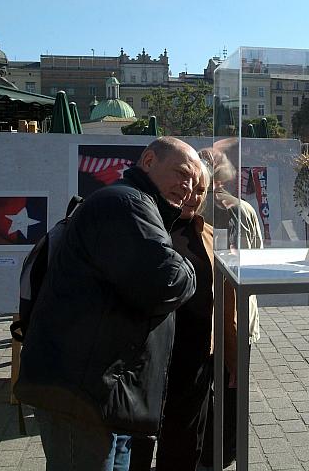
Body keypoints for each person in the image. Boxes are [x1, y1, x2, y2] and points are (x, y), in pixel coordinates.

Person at [14, 137, 201, 471]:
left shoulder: (136, 205)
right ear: (147, 161)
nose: (186, 187)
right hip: (81, 396)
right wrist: (190, 268)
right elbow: (165, 282)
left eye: (193, 182)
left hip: (103, 393)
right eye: (180, 173)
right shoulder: (125, 203)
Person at [129, 159, 215, 471]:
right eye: (189, 186)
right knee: (136, 447)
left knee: (184, 447)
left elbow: (224, 302)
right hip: (146, 362)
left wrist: (228, 355)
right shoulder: (149, 225)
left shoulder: (207, 234)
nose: (194, 194)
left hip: (194, 364)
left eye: (202, 190)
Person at [199, 141, 263, 469]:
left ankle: (207, 450)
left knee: (203, 392)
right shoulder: (242, 210)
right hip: (237, 315)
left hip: (200, 316)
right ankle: (227, 452)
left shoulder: (187, 209)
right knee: (233, 389)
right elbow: (256, 262)